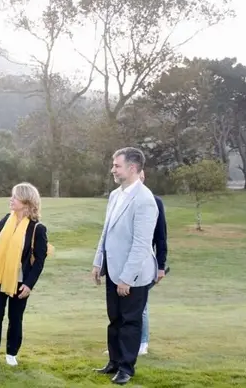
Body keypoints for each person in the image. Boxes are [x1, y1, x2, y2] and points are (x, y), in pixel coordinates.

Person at [91, 147, 159, 385]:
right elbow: (106, 232)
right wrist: (98, 262)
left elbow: (141, 244)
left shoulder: (145, 200)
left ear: (132, 168)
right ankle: (114, 361)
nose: (112, 169)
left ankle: (126, 368)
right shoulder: (115, 195)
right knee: (115, 319)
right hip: (113, 270)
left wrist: (127, 278)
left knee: (130, 321)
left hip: (134, 275)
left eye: (116, 165)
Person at [0, 183, 49, 368]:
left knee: (15, 318)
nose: (11, 200)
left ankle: (11, 354)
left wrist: (29, 284)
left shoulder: (37, 229)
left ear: (26, 202)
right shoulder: (5, 220)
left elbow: (39, 260)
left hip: (20, 281)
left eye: (15, 197)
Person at [139, 170, 168, 354]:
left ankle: (142, 343)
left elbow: (161, 237)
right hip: (121, 262)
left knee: (140, 304)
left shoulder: (154, 202)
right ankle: (121, 343)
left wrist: (161, 266)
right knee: (120, 306)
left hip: (145, 262)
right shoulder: (120, 198)